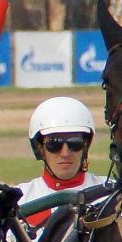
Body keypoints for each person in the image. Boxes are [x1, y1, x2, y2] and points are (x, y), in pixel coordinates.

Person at [13, 97, 100, 226]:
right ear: (40, 148)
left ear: (86, 146)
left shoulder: (112, 196)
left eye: (75, 143)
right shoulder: (18, 200)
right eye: (54, 144)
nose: (65, 154)